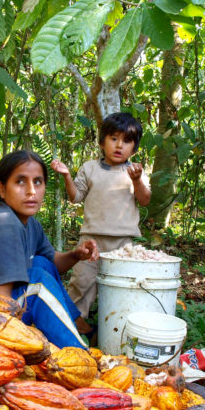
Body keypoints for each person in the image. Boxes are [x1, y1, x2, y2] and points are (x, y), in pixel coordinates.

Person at [0, 150, 97, 349]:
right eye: (20, 182)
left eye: (37, 182)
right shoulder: (3, 223)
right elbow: (0, 301)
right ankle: (82, 357)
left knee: (41, 263)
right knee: (38, 282)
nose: (31, 191)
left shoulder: (30, 224)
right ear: (2, 189)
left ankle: (81, 328)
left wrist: (76, 254)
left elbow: (54, 263)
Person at [51, 112, 151, 333]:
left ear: (134, 149)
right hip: (91, 241)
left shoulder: (135, 172)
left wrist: (136, 180)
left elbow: (144, 200)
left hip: (123, 244)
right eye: (113, 138)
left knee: (121, 287)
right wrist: (67, 176)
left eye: (126, 141)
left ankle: (116, 327)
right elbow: (76, 197)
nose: (119, 145)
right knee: (81, 282)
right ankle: (74, 323)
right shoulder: (90, 168)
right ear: (102, 141)